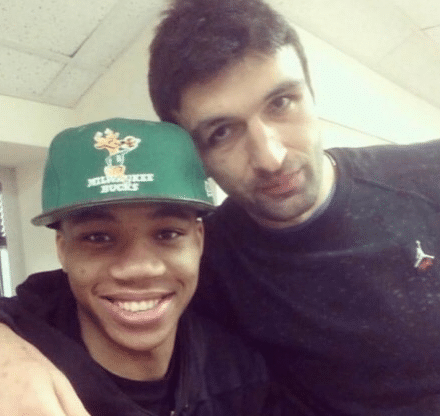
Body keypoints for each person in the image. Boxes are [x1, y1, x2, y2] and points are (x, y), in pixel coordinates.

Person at [2, 0, 440, 414]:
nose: (270, 157)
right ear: (197, 156)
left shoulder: (427, 174)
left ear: (311, 90)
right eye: (221, 132)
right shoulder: (205, 260)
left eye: (281, 103)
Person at [0, 118, 297, 416]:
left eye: (167, 234)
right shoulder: (23, 357)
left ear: (198, 241)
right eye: (98, 237)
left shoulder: (239, 373)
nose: (139, 268)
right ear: (63, 250)